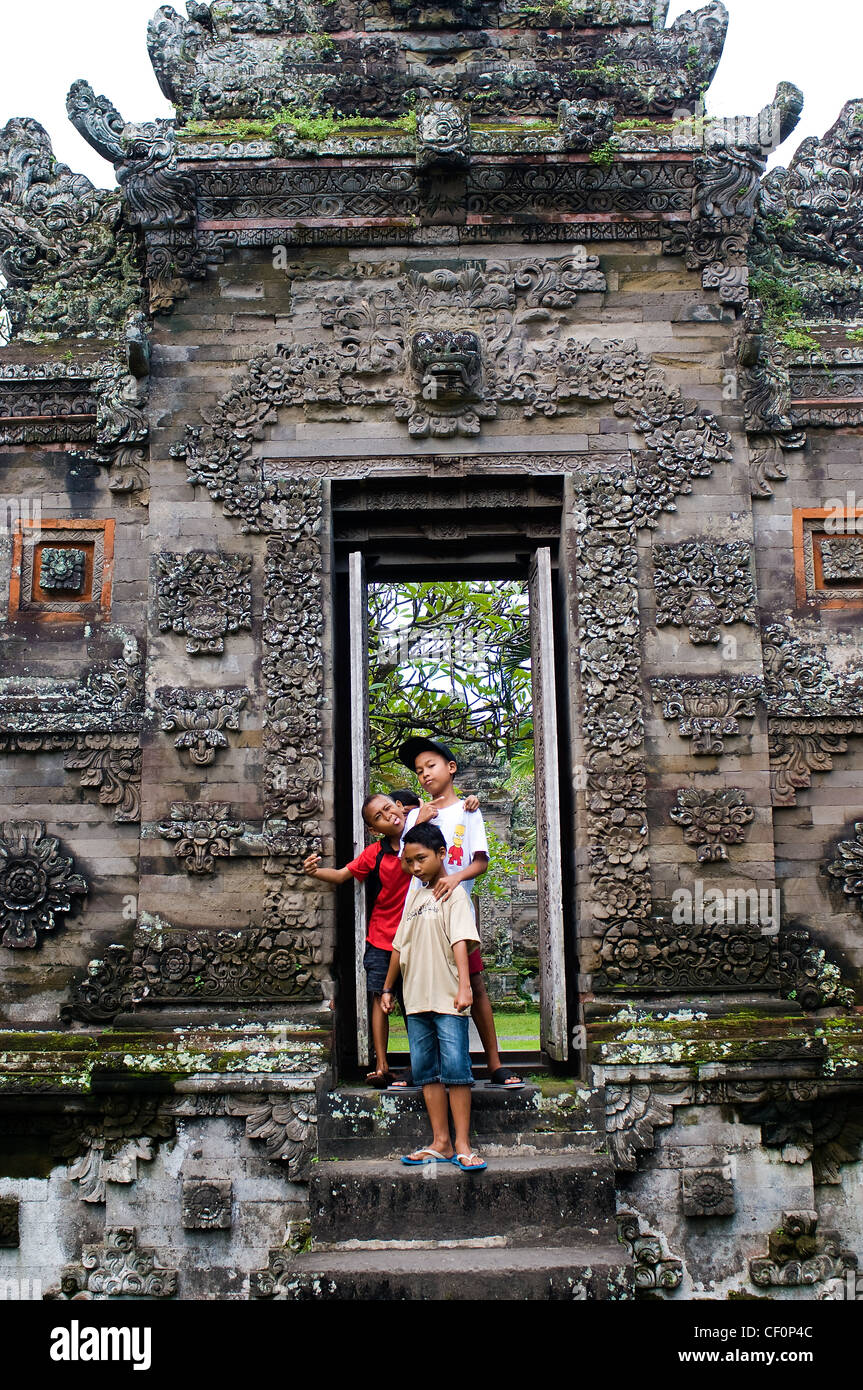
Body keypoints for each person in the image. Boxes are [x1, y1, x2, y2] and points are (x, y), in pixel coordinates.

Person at [399, 736, 523, 1090]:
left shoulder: (470, 811)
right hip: (419, 917)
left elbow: (480, 862)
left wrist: (455, 878)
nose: (424, 775)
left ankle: (495, 1064)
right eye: (419, 771)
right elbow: (403, 865)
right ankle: (420, 1065)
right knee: (416, 988)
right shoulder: (416, 816)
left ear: (451, 768)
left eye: (431, 766)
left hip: (456, 915)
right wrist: (415, 818)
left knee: (477, 987)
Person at [381, 822, 486, 1171]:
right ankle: (440, 1142)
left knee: (456, 1071)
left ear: (442, 854)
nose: (415, 868)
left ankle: (463, 1144)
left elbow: (460, 939)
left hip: (447, 998)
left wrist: (464, 986)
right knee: (426, 1072)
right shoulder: (415, 893)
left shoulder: (451, 892)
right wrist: (387, 988)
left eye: (421, 859)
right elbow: (400, 944)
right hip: (416, 999)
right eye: (409, 861)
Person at [303, 792, 412, 1087]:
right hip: (381, 938)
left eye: (390, 807)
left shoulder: (420, 836)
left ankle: (420, 1063)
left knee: (414, 1003)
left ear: (401, 807)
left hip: (415, 938)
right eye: (378, 816)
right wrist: (315, 872)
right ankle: (382, 1064)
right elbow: (341, 875)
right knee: (379, 998)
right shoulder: (374, 854)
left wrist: (469, 803)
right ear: (374, 830)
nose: (388, 814)